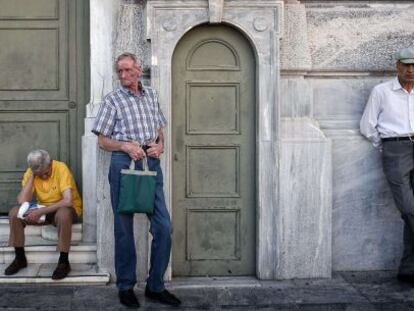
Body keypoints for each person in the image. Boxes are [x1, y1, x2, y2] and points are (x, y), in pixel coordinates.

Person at [92, 52, 181, 308]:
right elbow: (102, 140)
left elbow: (159, 129)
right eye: (119, 71)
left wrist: (160, 146)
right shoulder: (112, 101)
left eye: (127, 70)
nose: (123, 75)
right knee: (124, 230)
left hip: (150, 163)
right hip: (123, 163)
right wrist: (125, 146)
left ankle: (155, 286)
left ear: (138, 70)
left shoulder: (151, 95)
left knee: (163, 227)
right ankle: (126, 286)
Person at [360, 47, 414, 283]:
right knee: (408, 209)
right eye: (406, 65)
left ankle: (408, 268)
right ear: (397, 66)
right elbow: (367, 126)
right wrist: (388, 147)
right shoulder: (381, 91)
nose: (411, 70)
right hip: (396, 148)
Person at [5, 149, 82, 280]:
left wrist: (40, 211)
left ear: (50, 163)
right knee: (14, 213)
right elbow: (22, 201)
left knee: (64, 214)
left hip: (65, 210)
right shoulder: (32, 172)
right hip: (44, 210)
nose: (44, 177)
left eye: (45, 173)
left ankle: (64, 262)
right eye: (39, 175)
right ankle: (19, 258)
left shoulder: (61, 168)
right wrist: (33, 177)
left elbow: (68, 201)